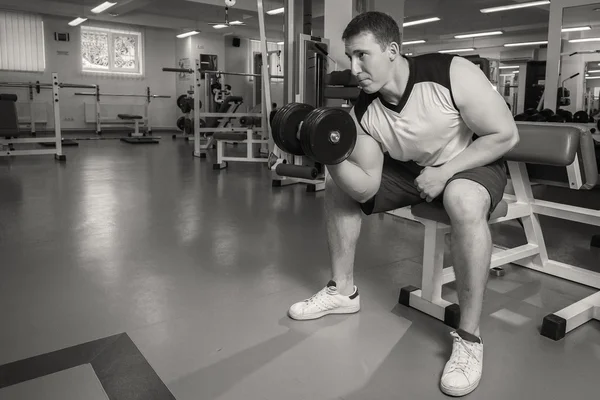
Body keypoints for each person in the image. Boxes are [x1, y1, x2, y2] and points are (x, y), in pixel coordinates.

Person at [287, 11, 519, 397]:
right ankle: (342, 291)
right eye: (350, 58)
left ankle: (470, 338)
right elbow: (365, 189)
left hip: (472, 160)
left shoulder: (450, 72)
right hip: (413, 170)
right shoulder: (363, 112)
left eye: (363, 55)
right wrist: (327, 154)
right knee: (337, 182)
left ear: (392, 50)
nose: (355, 68)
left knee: (462, 200)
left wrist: (445, 174)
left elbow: (504, 134)